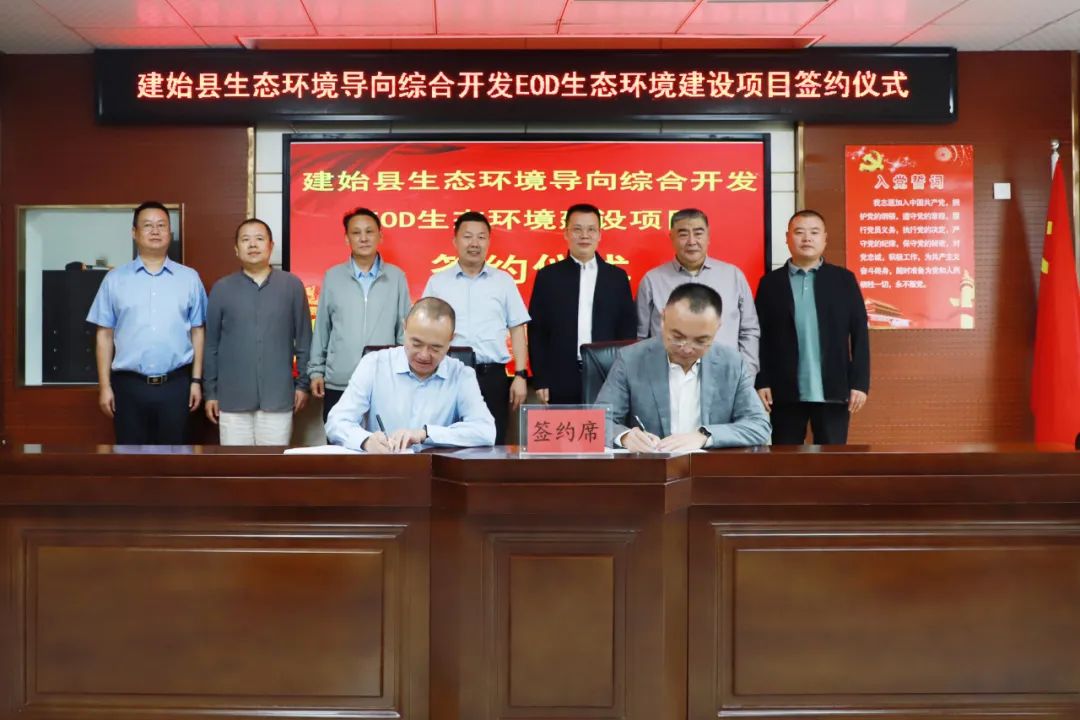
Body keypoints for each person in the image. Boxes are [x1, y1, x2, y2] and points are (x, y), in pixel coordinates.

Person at [595, 283, 770, 451]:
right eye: (677, 337)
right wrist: (625, 437)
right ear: (663, 319)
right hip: (652, 466)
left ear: (717, 328)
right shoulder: (631, 359)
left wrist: (705, 436)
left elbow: (759, 425)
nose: (686, 349)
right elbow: (598, 422)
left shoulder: (731, 363)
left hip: (708, 467)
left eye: (700, 341)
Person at [87, 201, 207, 444]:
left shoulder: (189, 278)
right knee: (130, 459)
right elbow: (104, 335)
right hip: (128, 385)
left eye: (161, 225)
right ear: (134, 233)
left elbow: (198, 331)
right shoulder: (114, 279)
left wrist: (195, 381)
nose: (155, 231)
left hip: (176, 385)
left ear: (170, 233)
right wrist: (105, 386)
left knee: (176, 458)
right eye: (148, 225)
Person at [755, 209, 870, 444]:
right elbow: (760, 337)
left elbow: (860, 334)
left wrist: (859, 383)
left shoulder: (843, 280)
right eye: (799, 232)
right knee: (786, 458)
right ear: (787, 238)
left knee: (832, 459)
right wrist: (761, 380)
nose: (807, 238)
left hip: (834, 388)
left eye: (814, 232)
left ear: (825, 238)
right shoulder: (770, 283)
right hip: (783, 390)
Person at [325, 297, 495, 452]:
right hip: (382, 468)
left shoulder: (461, 375)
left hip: (436, 472)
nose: (424, 355)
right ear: (404, 328)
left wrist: (426, 434)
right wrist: (366, 441)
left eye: (435, 348)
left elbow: (485, 431)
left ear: (451, 339)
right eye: (416, 344)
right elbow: (337, 421)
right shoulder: (374, 364)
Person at [422, 211, 530, 444]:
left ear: (489, 242)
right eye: (467, 236)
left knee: (493, 442)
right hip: (449, 374)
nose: (474, 243)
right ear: (455, 241)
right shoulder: (438, 282)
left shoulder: (503, 281)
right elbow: (424, 331)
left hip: (492, 376)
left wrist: (520, 375)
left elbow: (517, 329)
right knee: (446, 441)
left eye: (481, 237)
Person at [203, 218, 312, 445]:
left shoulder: (292, 286)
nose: (253, 245)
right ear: (236, 249)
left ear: (271, 246)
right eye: (246, 240)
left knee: (273, 464)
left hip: (278, 398)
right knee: (236, 464)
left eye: (259, 239)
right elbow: (211, 345)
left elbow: (303, 340)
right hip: (232, 400)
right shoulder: (222, 289)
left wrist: (303, 385)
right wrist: (210, 392)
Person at [308, 207, 411, 423]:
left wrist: (405, 373)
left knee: (383, 441)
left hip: (384, 382)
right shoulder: (333, 276)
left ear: (380, 236)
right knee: (339, 442)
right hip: (340, 382)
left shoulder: (396, 277)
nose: (363, 238)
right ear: (347, 238)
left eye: (369, 232)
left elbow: (404, 332)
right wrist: (316, 370)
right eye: (356, 233)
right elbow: (322, 328)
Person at [528, 203, 636, 404]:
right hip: (560, 375)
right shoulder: (548, 276)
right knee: (565, 424)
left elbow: (626, 331)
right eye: (577, 229)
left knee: (606, 424)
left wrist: (624, 375)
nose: (584, 236)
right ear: (566, 233)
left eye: (591, 230)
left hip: (607, 374)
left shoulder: (616, 277)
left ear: (599, 234)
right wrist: (540, 379)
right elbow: (537, 332)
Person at [636, 208, 760, 375]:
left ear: (708, 236)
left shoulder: (733, 276)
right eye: (683, 234)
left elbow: (749, 330)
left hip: (725, 375)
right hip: (667, 376)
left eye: (698, 233)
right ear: (671, 237)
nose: (691, 241)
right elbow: (640, 337)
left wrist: (747, 373)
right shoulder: (652, 280)